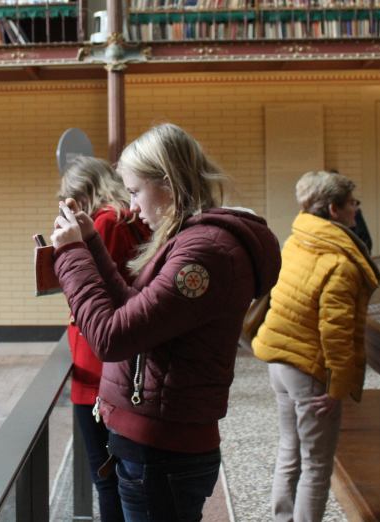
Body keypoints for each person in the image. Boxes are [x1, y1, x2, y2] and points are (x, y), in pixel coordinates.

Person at [50, 123, 281, 521]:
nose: (133, 207)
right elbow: (135, 310)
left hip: (163, 450)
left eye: (136, 191)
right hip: (157, 444)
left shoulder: (203, 254)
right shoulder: (189, 240)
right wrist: (90, 244)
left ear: (169, 184)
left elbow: (111, 337)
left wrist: (70, 256)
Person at [251, 171, 380, 522]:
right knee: (317, 464)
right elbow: (335, 331)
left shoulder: (298, 239)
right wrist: (337, 387)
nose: (356, 209)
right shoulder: (339, 261)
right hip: (309, 369)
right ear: (335, 210)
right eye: (352, 203)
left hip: (279, 361)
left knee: (290, 450)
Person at [57, 156, 150, 522]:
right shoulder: (129, 218)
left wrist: (65, 257)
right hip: (117, 362)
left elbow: (97, 293)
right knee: (121, 476)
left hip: (96, 364)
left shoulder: (106, 222)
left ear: (82, 193)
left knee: (106, 475)